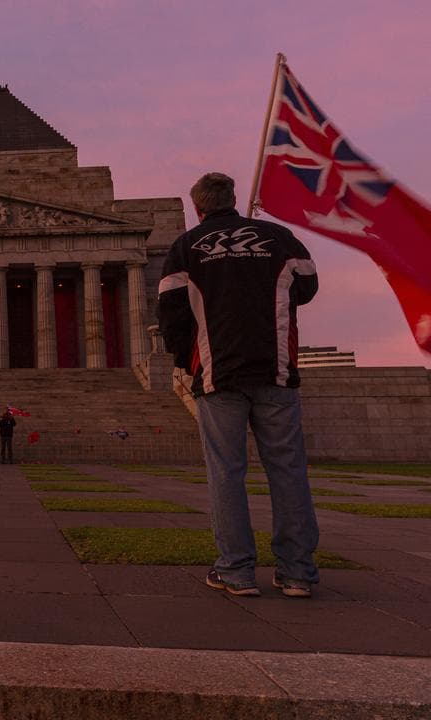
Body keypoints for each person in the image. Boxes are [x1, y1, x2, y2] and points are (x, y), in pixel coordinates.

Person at [158, 172, 319, 599]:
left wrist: (184, 362)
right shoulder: (279, 237)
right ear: (232, 198)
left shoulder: (186, 247)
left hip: (217, 373)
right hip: (275, 369)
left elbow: (171, 315)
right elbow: (306, 288)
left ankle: (236, 571)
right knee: (288, 471)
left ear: (198, 207)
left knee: (226, 473)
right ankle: (297, 573)